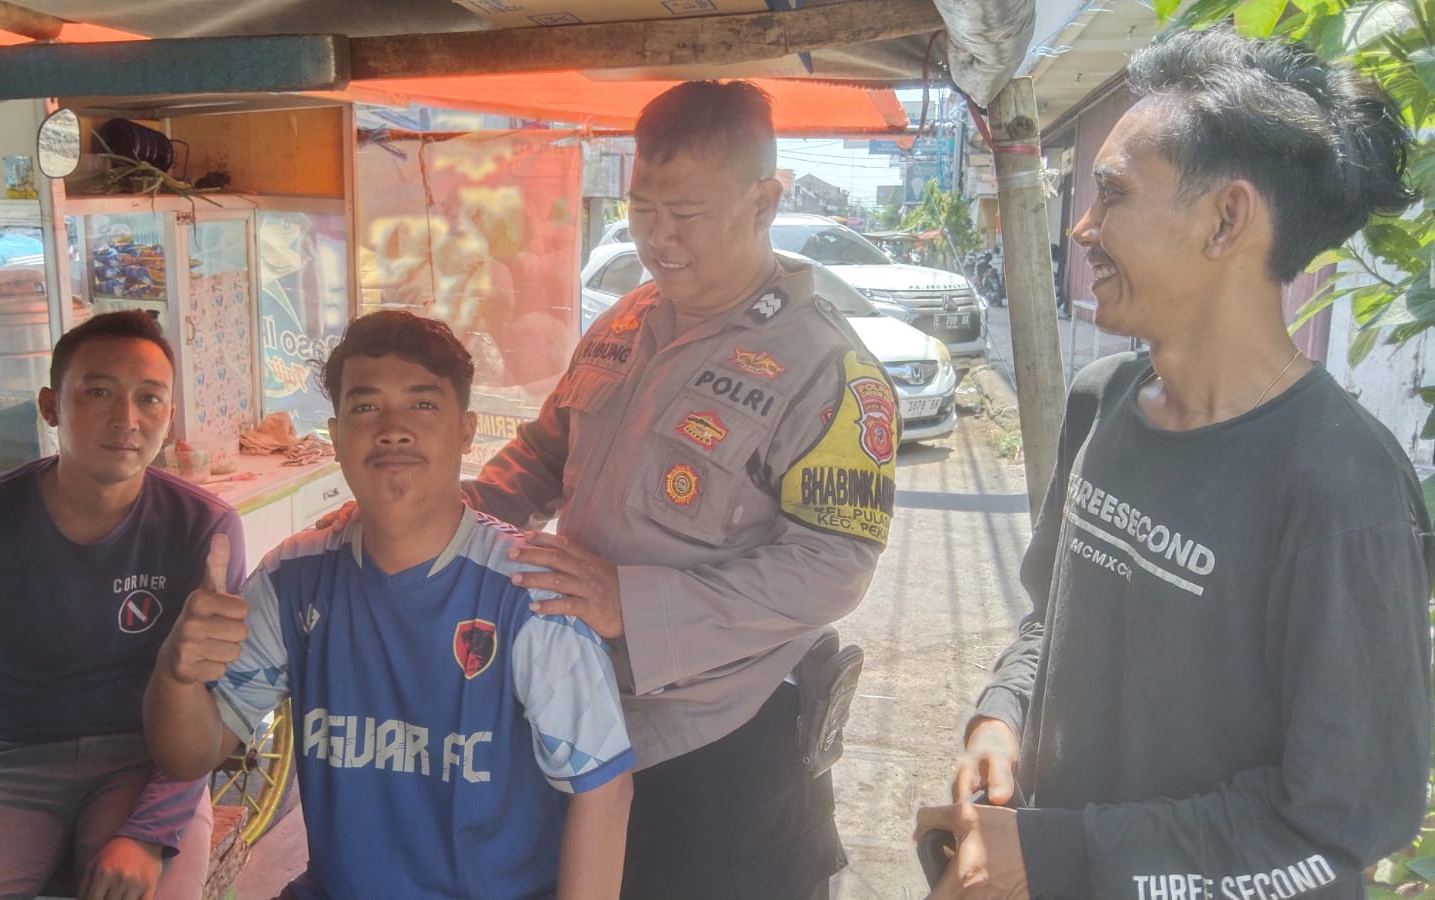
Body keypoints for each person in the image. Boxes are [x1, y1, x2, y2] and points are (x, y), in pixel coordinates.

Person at [917, 26, 1433, 899]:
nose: (1083, 227)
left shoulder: (1344, 489)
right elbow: (1053, 622)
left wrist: (1059, 856)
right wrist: (1004, 717)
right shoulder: (1102, 400)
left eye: (1113, 193)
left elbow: (1344, 820)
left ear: (1227, 220)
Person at [462, 80, 898, 899]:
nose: (658, 238)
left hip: (721, 740)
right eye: (641, 209)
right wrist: (448, 521)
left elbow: (833, 567)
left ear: (765, 201)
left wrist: (631, 603)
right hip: (582, 711)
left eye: (686, 213)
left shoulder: (826, 367)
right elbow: (544, 452)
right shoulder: (625, 320)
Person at [143, 310, 635, 899]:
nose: (393, 429)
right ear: (336, 434)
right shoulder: (291, 579)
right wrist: (176, 673)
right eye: (366, 406)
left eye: (422, 404)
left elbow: (602, 790)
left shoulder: (530, 594)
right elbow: (188, 755)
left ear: (466, 430)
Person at [0, 310, 243, 900]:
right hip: (10, 759)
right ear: (50, 405)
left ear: (169, 417)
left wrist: (147, 835)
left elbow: (215, 710)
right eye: (98, 392)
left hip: (148, 759)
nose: (127, 418)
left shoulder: (204, 530)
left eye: (150, 398)